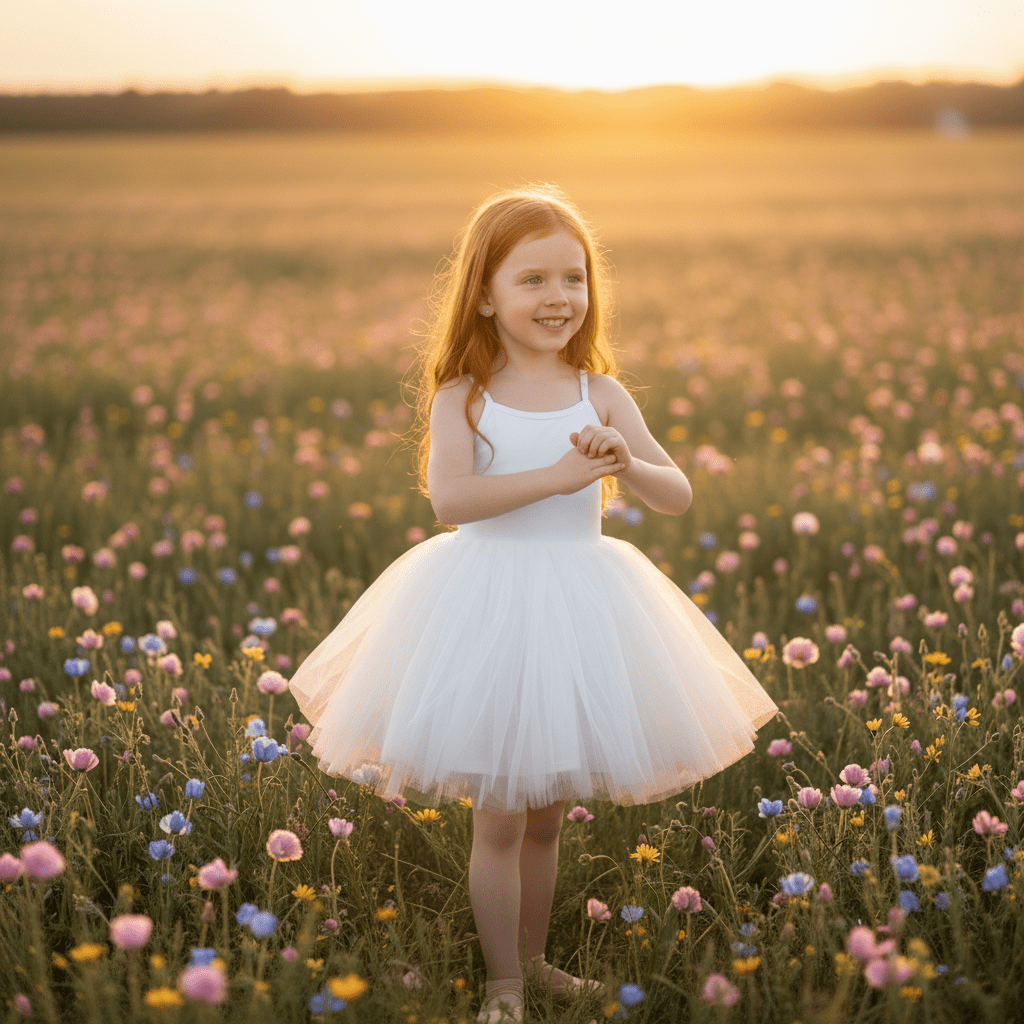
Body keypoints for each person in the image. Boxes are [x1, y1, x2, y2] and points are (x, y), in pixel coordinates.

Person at [288, 184, 778, 1023]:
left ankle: (536, 959)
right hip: (485, 611)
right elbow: (451, 500)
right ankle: (504, 985)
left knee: (548, 822)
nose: (558, 298)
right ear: (484, 292)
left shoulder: (603, 393)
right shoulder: (463, 397)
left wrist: (625, 459)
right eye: (533, 281)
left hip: (581, 607)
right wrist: (559, 473)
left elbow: (678, 495)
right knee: (501, 824)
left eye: (573, 279)